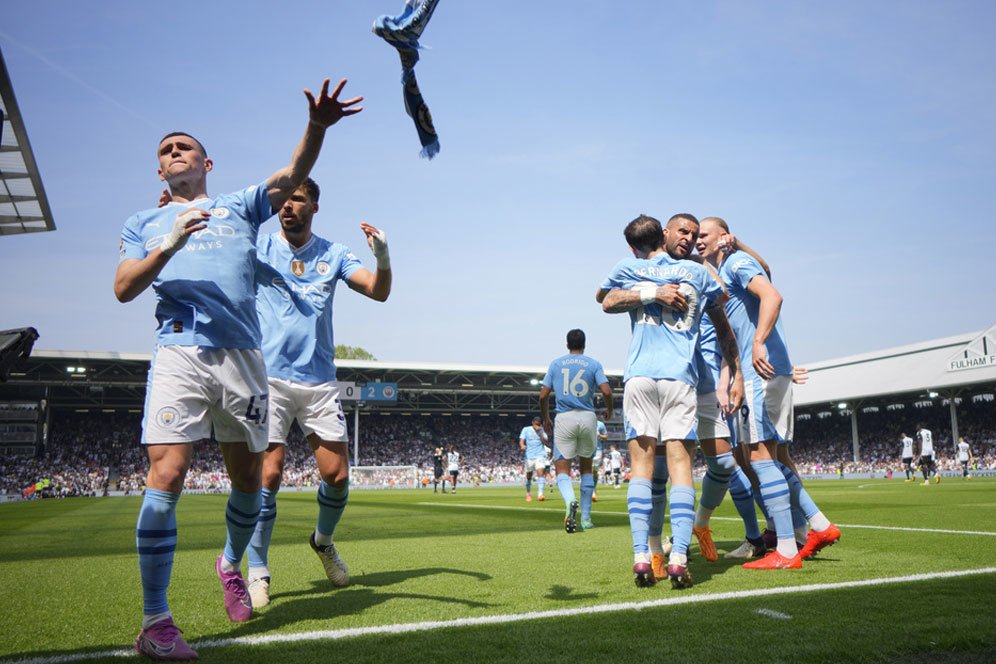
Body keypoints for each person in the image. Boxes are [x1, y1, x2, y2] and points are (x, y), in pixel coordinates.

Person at [116, 78, 362, 659]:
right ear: (160, 174)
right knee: (168, 474)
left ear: (206, 163)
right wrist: (167, 245)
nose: (174, 154)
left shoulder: (236, 206)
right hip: (179, 349)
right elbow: (124, 287)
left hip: (244, 356)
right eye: (165, 152)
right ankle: (156, 621)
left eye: (184, 148)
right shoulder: (143, 222)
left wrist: (318, 128)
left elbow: (287, 175)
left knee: (250, 479)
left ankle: (230, 563)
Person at [243, 175, 391, 608]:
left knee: (337, 476)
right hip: (266, 377)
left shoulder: (334, 253)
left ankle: (323, 541)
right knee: (266, 476)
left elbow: (378, 292)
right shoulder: (259, 248)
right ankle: (258, 571)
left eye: (298, 199)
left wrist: (382, 256)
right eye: (284, 201)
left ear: (314, 207)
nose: (288, 206)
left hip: (320, 381)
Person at [598, 213, 742, 589]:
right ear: (664, 234)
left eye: (694, 234)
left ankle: (643, 558)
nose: (691, 239)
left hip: (641, 377)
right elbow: (722, 313)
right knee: (680, 467)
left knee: (642, 468)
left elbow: (605, 300)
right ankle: (678, 557)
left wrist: (648, 290)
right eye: (686, 232)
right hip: (680, 379)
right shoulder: (697, 274)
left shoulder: (631, 267)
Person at [696, 217, 839, 569]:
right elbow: (767, 271)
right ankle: (814, 528)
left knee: (758, 457)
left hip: (761, 370)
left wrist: (757, 344)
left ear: (722, 237)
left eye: (703, 235)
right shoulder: (732, 265)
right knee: (767, 457)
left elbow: (773, 295)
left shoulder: (735, 263)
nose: (698, 241)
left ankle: (788, 549)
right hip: (765, 371)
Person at [539, 328, 614, 533]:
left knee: (562, 469)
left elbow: (543, 395)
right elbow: (606, 390)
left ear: (567, 344)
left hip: (564, 417)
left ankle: (570, 500)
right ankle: (587, 519)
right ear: (584, 344)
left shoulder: (556, 364)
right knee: (587, 468)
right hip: (588, 417)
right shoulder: (594, 364)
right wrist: (609, 408)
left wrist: (545, 417)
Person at [519, 417, 550, 501]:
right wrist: (522, 445)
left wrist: (540, 433)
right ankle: (528, 493)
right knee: (529, 476)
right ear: (532, 423)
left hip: (540, 455)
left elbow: (547, 443)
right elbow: (521, 440)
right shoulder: (526, 429)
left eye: (539, 424)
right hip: (529, 456)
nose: (537, 426)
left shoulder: (542, 431)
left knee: (540, 473)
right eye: (536, 424)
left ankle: (540, 494)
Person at [592, 413, 609, 501]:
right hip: (585, 449)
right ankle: (589, 491)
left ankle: (593, 489)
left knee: (594, 470)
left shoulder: (600, 424)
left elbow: (606, 436)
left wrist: (599, 435)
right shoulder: (584, 422)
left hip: (598, 449)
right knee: (588, 470)